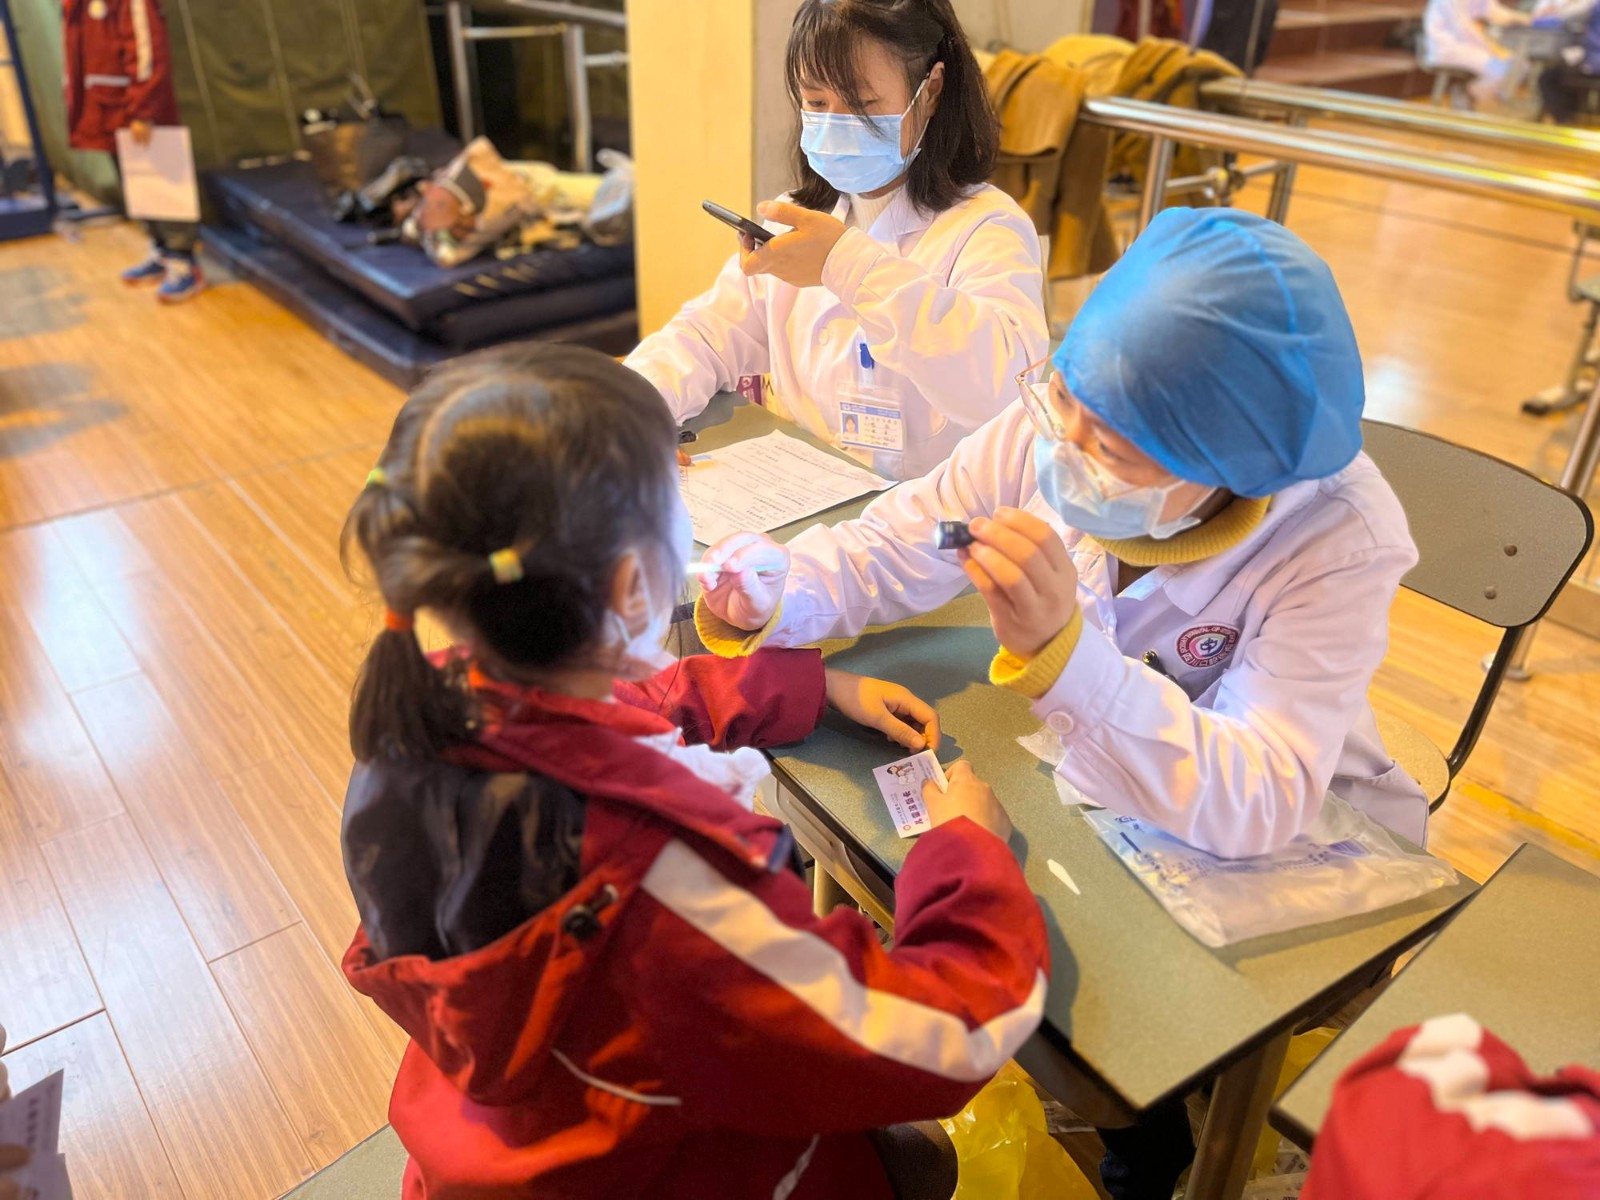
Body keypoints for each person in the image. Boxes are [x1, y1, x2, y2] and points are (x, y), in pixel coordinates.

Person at [696, 207, 1429, 1196]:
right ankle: (1127, 1133)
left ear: (1231, 466)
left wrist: (1063, 658)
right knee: (1065, 996)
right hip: (1095, 799)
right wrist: (779, 589)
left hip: (1289, 860)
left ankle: (1161, 1158)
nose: (1065, 450)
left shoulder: (1335, 535)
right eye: (1063, 400)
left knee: (1149, 1065)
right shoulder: (1056, 422)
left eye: (1115, 450)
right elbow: (905, 538)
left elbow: (1261, 794)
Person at [338, 343, 1049, 1200]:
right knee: (923, 1162)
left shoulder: (418, 715)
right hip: (676, 1171)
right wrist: (967, 856)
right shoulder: (676, 893)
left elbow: (616, 714)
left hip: (506, 1143)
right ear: (632, 585)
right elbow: (942, 1042)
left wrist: (807, 685)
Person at [623, 0, 1048, 480]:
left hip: (930, 514)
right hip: (802, 495)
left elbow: (1001, 390)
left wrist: (844, 264)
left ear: (930, 91)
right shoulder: (797, 217)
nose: (837, 124)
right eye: (817, 103)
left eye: (863, 105)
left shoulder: (986, 227)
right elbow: (706, 335)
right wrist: (632, 414)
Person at [64, 0, 204, 302]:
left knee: (163, 182)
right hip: (106, 109)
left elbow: (147, 48)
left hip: (134, 110)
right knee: (139, 186)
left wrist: (144, 110)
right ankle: (161, 251)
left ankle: (184, 261)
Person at [1421, 0, 1532, 108]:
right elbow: (1462, 28)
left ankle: (1476, 96)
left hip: (1473, 46)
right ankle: (1468, 94)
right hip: (1449, 47)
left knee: (1521, 65)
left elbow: (1492, 11)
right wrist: (1492, 48)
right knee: (1503, 69)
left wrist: (1523, 18)